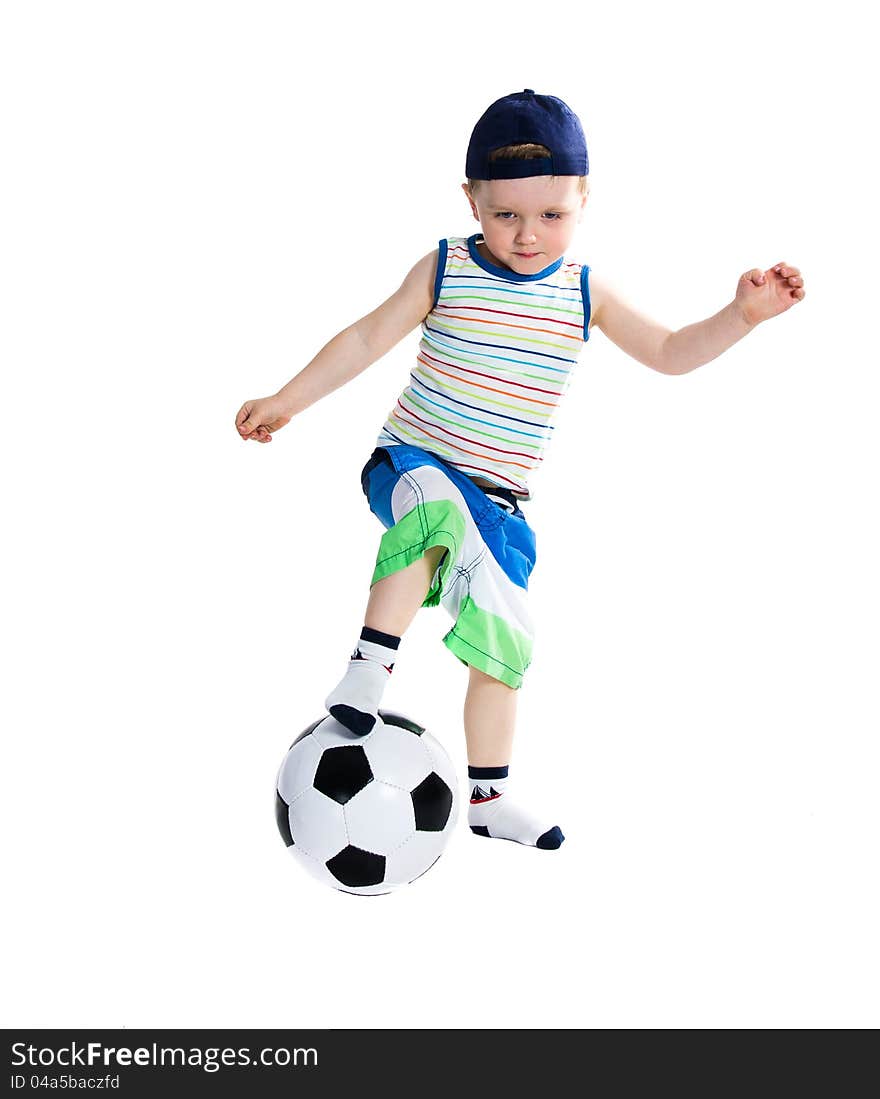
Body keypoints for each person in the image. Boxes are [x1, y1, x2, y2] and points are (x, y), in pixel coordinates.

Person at [235, 89, 806, 851]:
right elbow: (366, 337)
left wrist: (741, 316)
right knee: (434, 512)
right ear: (471, 200)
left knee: (506, 640)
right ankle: (367, 673)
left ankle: (486, 795)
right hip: (412, 461)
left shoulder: (584, 293)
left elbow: (671, 353)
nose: (528, 235)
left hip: (499, 503)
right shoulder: (445, 267)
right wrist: (287, 399)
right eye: (505, 215)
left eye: (551, 216)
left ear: (583, 199)